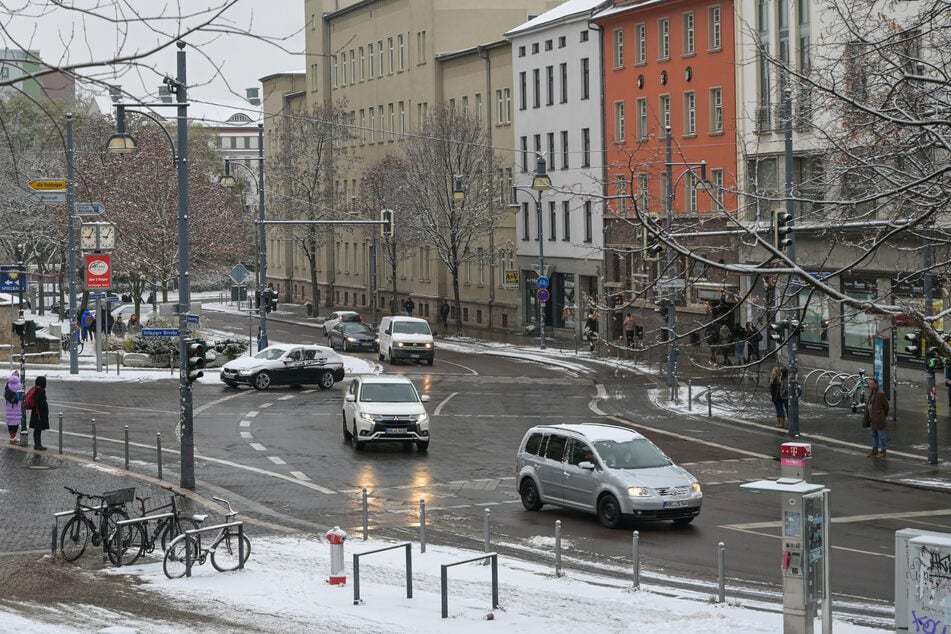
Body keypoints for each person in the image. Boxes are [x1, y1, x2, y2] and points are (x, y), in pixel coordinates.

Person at [865, 377, 889, 458]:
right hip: (873, 418)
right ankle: (874, 450)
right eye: (869, 384)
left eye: (871, 384)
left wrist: (882, 414)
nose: (870, 385)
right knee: (874, 435)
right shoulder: (872, 393)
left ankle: (883, 451)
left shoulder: (880, 393)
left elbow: (886, 406)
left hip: (879, 419)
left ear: (875, 384)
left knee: (881, 435)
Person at [26, 376, 48, 451]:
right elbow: (40, 402)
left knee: (37, 430)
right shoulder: (40, 391)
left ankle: (38, 444)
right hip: (38, 413)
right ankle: (38, 445)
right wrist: (44, 407)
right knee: (38, 430)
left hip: (35, 412)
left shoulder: (36, 389)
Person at [4, 371, 21, 443]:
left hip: (9, 405)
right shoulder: (20, 385)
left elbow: (4, 394)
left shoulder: (7, 384)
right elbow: (20, 397)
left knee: (10, 420)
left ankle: (12, 436)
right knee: (16, 421)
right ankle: (13, 437)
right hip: (17, 405)